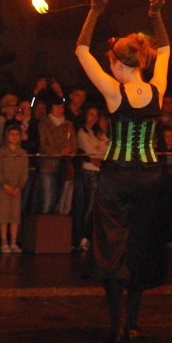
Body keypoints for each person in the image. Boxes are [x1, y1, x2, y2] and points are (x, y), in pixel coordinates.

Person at [74, 0, 170, 343]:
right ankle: (131, 325)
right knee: (141, 250)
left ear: (117, 64)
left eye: (111, 61)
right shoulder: (158, 89)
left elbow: (81, 51)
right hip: (150, 176)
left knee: (112, 252)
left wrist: (95, 9)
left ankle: (116, 329)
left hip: (117, 178)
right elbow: (165, 51)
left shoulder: (115, 93)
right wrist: (156, 14)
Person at [75, 105, 109, 251]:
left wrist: (99, 148)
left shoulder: (96, 133)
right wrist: (99, 149)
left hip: (99, 170)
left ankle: (91, 236)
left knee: (97, 206)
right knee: (88, 205)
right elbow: (91, 153)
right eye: (91, 114)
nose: (94, 118)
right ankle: (83, 236)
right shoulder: (82, 132)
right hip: (89, 172)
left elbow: (107, 150)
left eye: (96, 115)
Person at [0, 122, 29, 253]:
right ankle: (4, 242)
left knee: (15, 216)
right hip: (4, 189)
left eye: (17, 134)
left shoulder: (23, 153)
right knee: (3, 215)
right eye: (11, 134)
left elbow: (25, 173)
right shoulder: (1, 152)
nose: (14, 137)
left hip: (17, 189)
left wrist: (19, 187)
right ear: (6, 136)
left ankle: (14, 242)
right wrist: (5, 185)